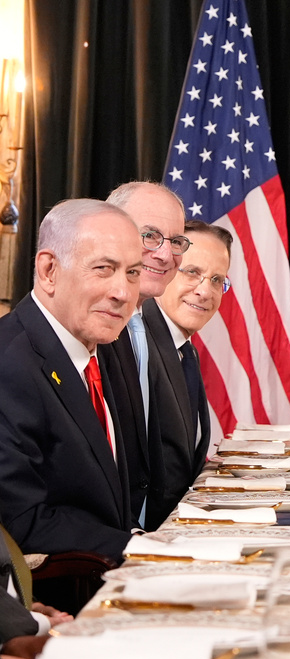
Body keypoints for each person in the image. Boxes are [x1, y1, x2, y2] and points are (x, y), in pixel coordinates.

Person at [0, 199, 141, 559]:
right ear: (49, 270)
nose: (122, 292)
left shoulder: (101, 347)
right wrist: (144, 549)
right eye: (103, 268)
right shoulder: (9, 364)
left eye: (132, 273)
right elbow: (23, 524)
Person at [101, 182, 188, 531]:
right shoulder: (93, 326)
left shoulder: (151, 323)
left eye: (177, 241)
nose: (165, 255)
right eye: (150, 235)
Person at [144, 220, 233, 522]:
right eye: (193, 272)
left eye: (217, 280)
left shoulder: (185, 349)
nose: (205, 291)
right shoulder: (135, 345)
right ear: (165, 270)